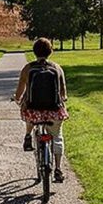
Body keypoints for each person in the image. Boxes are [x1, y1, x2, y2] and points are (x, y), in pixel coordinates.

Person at [14, 38, 69, 183]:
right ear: (50, 51)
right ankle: (58, 169)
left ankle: (28, 135)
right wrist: (63, 99)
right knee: (57, 137)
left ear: (34, 52)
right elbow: (63, 93)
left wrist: (17, 99)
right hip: (54, 111)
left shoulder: (28, 68)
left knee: (28, 111)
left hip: (34, 110)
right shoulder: (57, 68)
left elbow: (20, 90)